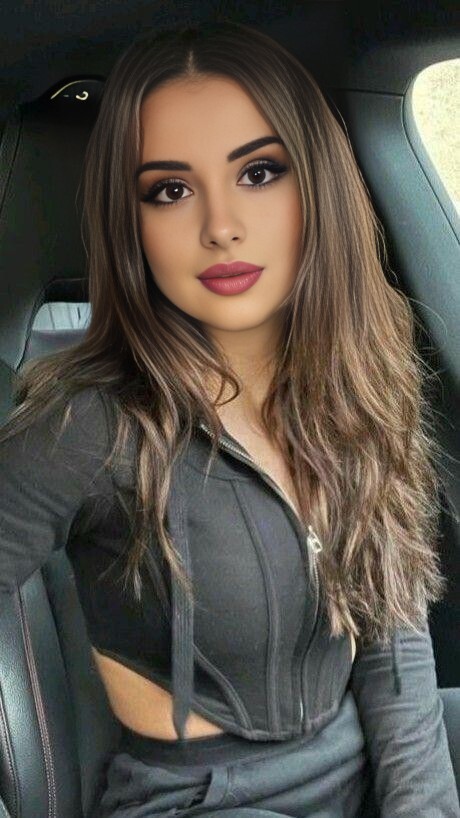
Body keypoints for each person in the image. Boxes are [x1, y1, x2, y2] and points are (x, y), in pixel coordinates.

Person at [0, 19, 459, 818]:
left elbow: (394, 648)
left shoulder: (357, 387)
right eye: (170, 190)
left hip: (356, 767)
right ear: (131, 223)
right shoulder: (88, 426)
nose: (220, 224)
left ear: (316, 187)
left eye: (259, 171)